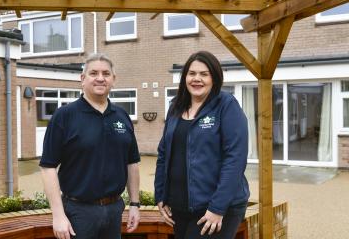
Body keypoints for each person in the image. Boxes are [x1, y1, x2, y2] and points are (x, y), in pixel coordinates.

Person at [40, 53, 141, 239]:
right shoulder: (64, 116)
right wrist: (58, 215)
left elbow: (132, 163)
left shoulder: (122, 116)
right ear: (83, 79)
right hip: (79, 212)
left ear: (113, 79)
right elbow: (48, 167)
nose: (100, 78)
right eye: (94, 73)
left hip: (114, 210)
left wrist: (135, 204)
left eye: (106, 73)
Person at [154, 51, 250, 239]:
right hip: (180, 207)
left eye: (204, 74)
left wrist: (218, 207)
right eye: (192, 73)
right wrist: (161, 195)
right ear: (185, 78)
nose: (197, 79)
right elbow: (164, 153)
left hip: (215, 208)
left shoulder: (226, 105)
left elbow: (235, 159)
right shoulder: (176, 106)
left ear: (214, 78)